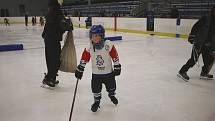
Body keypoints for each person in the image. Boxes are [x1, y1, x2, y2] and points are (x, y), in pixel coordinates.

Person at [75, 25, 121, 112]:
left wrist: (117, 65)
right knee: (95, 88)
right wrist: (81, 67)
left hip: (108, 72)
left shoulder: (108, 44)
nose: (94, 38)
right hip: (96, 74)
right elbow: (84, 58)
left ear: (102, 36)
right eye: (93, 36)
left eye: (97, 35)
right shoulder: (89, 47)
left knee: (111, 86)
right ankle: (96, 101)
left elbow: (114, 55)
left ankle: (111, 95)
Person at [177, 5, 215, 81]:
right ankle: (182, 71)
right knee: (193, 60)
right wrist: (192, 36)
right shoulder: (205, 18)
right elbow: (195, 26)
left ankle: (204, 73)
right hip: (199, 42)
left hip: (208, 45)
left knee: (209, 60)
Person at [41, 0, 71, 87]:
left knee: (53, 59)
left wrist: (65, 25)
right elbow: (61, 24)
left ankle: (51, 77)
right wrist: (67, 26)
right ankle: (49, 78)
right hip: (52, 38)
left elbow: (57, 23)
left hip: (50, 38)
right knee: (54, 59)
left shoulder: (52, 9)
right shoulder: (55, 9)